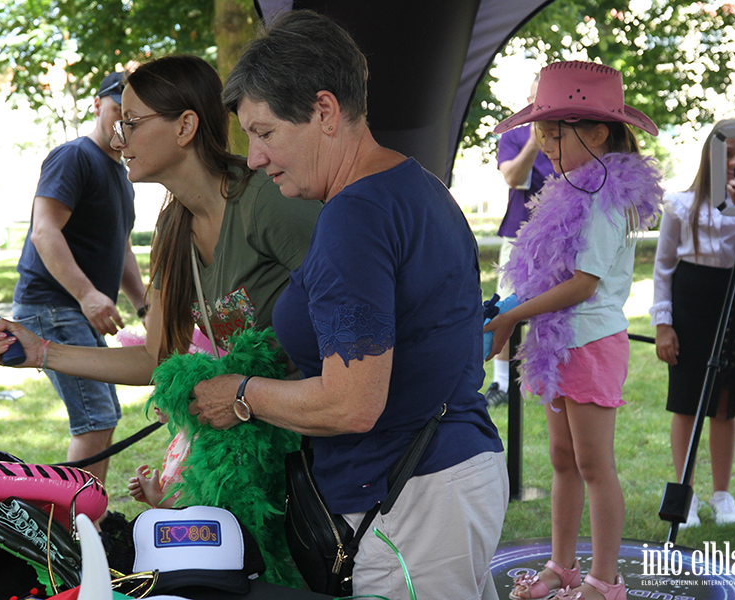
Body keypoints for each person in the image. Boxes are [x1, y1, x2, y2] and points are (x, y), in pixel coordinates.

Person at [191, 11, 508, 600]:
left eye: (264, 132)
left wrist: (240, 394)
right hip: (441, 486)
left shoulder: (354, 217)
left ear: (325, 111)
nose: (255, 157)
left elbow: (352, 403)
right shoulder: (416, 186)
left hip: (409, 502)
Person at [0, 57, 320, 432]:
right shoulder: (173, 225)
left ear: (185, 127)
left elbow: (360, 312)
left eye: (130, 122)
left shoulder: (267, 201)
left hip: (324, 439)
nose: (116, 138)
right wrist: (42, 352)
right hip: (267, 441)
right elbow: (155, 357)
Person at [486, 60, 663, 600]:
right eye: (542, 133)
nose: (547, 144)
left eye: (556, 133)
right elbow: (545, 274)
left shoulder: (605, 197)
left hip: (590, 344)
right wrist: (508, 308)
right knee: (562, 460)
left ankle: (604, 580)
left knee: (593, 464)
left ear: (598, 132)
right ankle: (560, 567)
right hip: (556, 343)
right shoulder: (565, 191)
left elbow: (583, 284)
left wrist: (514, 316)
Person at [12, 71, 146, 485]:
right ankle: (70, 527)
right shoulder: (73, 157)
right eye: (115, 111)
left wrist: (144, 304)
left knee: (104, 417)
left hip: (75, 310)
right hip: (51, 307)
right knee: (95, 419)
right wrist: (88, 294)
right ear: (96, 105)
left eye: (132, 117)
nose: (121, 123)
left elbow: (119, 246)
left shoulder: (123, 175)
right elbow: (44, 230)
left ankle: (90, 520)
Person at [650, 119, 735, 529]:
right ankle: (688, 492)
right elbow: (663, 267)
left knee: (724, 402)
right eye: (730, 151)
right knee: (686, 402)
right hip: (690, 299)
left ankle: (723, 493)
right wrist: (663, 324)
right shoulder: (681, 205)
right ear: (712, 154)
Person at [486, 76, 554, 407]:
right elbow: (513, 177)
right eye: (532, 100)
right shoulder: (513, 135)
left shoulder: (567, 137)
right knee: (507, 305)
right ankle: (501, 385)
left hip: (558, 238)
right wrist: (533, 141)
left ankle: (547, 377)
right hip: (518, 235)